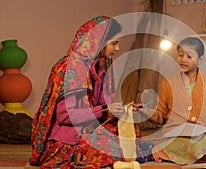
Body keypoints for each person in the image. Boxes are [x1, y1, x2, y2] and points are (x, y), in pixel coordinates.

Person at [30, 16, 153, 169]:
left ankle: (135, 153)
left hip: (87, 128)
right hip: (67, 137)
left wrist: (123, 108)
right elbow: (65, 116)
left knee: (126, 132)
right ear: (98, 41)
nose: (117, 48)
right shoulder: (72, 68)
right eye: (114, 43)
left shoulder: (99, 67)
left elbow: (103, 105)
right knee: (109, 148)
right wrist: (105, 111)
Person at [138, 37, 206, 164]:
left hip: (202, 138)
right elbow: (161, 116)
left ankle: (183, 157)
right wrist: (146, 111)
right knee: (173, 146)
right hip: (176, 138)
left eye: (189, 56)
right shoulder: (167, 84)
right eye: (180, 55)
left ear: (200, 59)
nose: (183, 60)